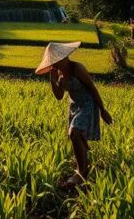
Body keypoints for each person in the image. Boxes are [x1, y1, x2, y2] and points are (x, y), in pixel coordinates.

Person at [36, 41, 113, 188]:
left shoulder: (77, 68)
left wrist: (102, 110)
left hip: (88, 104)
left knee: (75, 132)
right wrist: (52, 79)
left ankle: (81, 172)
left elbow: (92, 88)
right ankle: (84, 167)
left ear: (65, 56)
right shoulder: (57, 73)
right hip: (74, 106)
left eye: (59, 60)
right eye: (54, 62)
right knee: (77, 136)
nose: (58, 64)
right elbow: (59, 96)